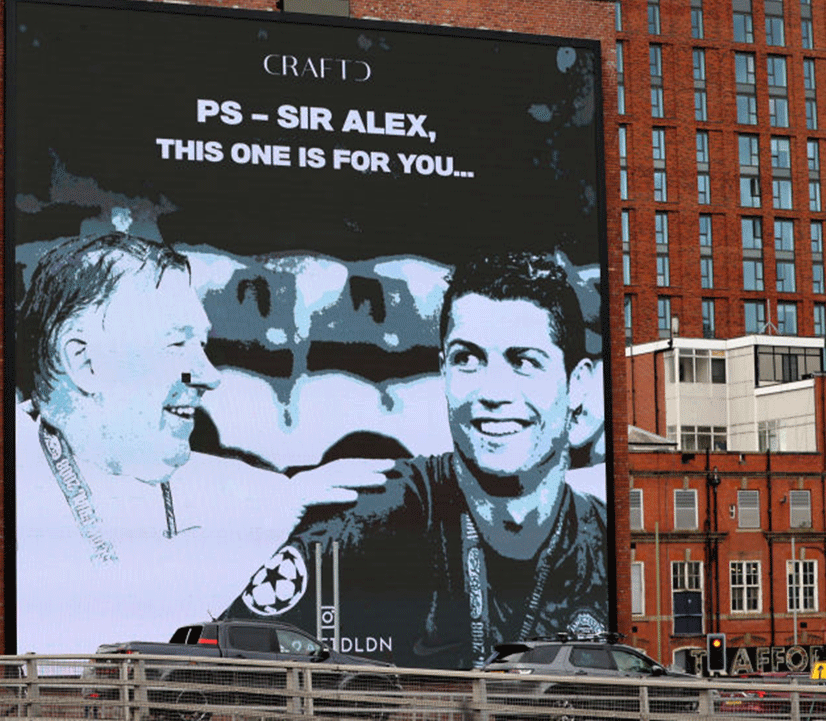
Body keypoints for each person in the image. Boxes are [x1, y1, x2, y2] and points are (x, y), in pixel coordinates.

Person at [223, 250, 609, 670]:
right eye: (467, 359)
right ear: (443, 371)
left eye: (523, 362)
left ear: (578, 384)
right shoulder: (367, 520)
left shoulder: (605, 539)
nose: (493, 392)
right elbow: (221, 668)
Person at [13, 232, 389, 653]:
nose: (210, 375)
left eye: (202, 345)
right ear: (84, 362)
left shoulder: (241, 489)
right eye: (176, 344)